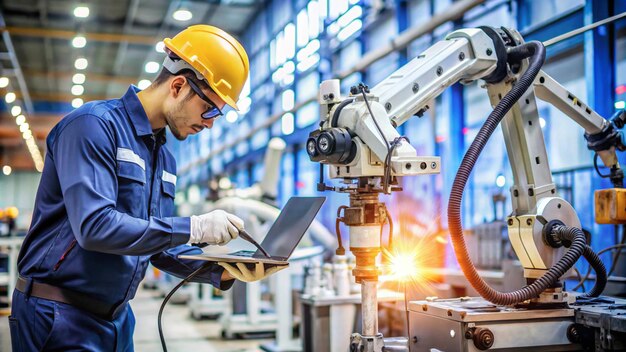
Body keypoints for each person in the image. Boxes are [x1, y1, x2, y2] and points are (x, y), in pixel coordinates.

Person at [9, 25, 285, 351]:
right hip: (58, 316)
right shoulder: (93, 127)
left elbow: (158, 249)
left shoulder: (163, 158)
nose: (211, 122)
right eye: (210, 108)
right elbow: (94, 227)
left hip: (118, 320)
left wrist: (224, 272)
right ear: (178, 85)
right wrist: (195, 227)